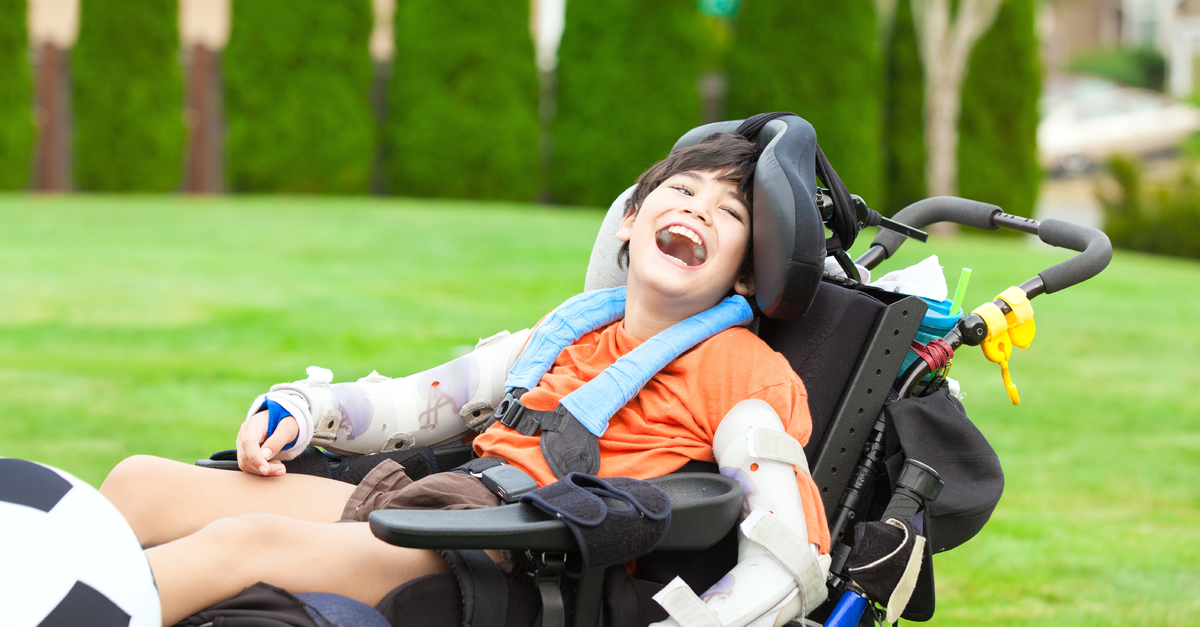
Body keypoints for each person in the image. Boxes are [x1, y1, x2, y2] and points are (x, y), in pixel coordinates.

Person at [99, 131, 831, 627]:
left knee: (245, 542)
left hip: (523, 560)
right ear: (630, 222)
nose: (698, 209)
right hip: (438, 507)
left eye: (728, 210)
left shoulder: (745, 370)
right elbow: (412, 403)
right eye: (683, 191)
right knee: (140, 482)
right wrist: (300, 407)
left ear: (744, 268)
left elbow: (791, 551)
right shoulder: (566, 333)